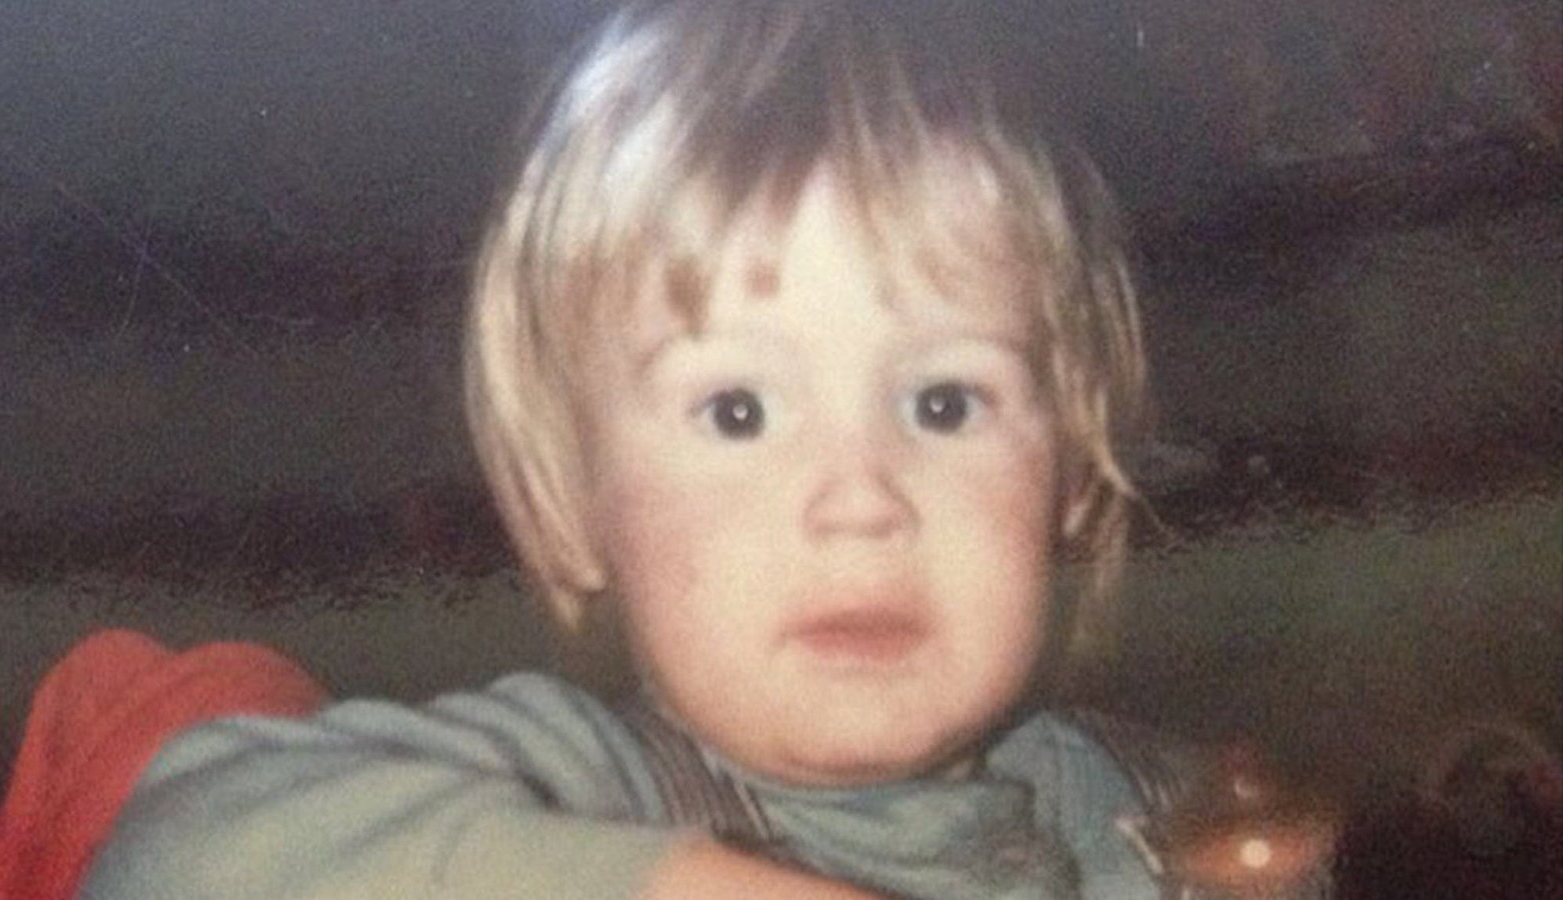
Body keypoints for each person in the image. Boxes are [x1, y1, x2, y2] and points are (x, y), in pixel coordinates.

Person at [77, 2, 1307, 897]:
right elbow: (171, 853)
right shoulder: (575, 782)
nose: (857, 501)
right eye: (737, 412)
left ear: (1075, 472)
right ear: (571, 503)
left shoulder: (1166, 815)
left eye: (943, 404)